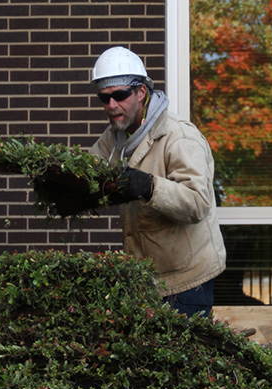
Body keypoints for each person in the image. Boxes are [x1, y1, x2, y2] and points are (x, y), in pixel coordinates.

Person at [89, 46, 226, 318]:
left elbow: (198, 203)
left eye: (120, 95)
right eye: (104, 98)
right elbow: (87, 173)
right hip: (147, 280)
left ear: (141, 92)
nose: (111, 105)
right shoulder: (114, 138)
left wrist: (150, 187)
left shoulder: (179, 136)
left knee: (180, 359)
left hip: (188, 280)